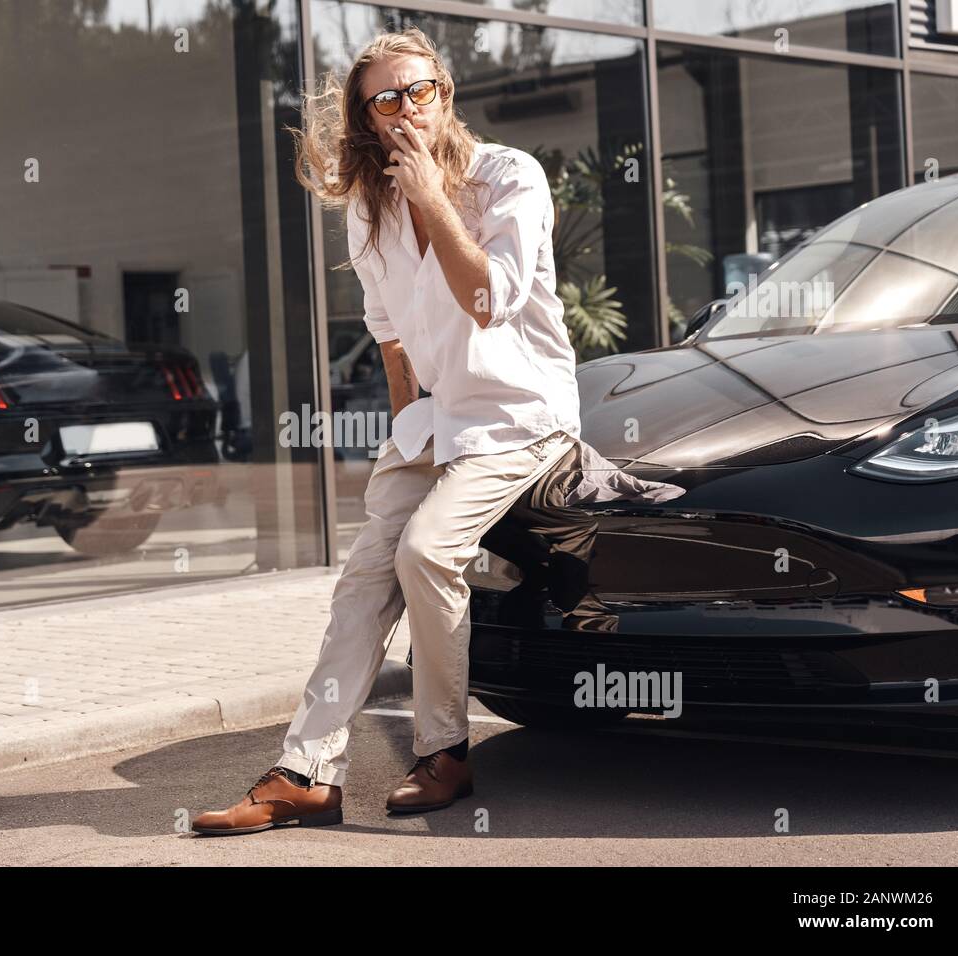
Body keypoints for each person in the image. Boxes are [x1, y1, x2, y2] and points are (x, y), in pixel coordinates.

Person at [191, 26, 586, 835]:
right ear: (367, 119)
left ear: (444, 92)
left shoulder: (509, 176)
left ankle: (444, 753)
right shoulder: (368, 208)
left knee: (428, 552)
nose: (408, 108)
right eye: (387, 99)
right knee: (363, 581)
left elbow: (487, 300)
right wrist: (409, 424)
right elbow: (392, 337)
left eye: (421, 91)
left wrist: (432, 196)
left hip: (522, 415)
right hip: (437, 420)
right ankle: (306, 773)